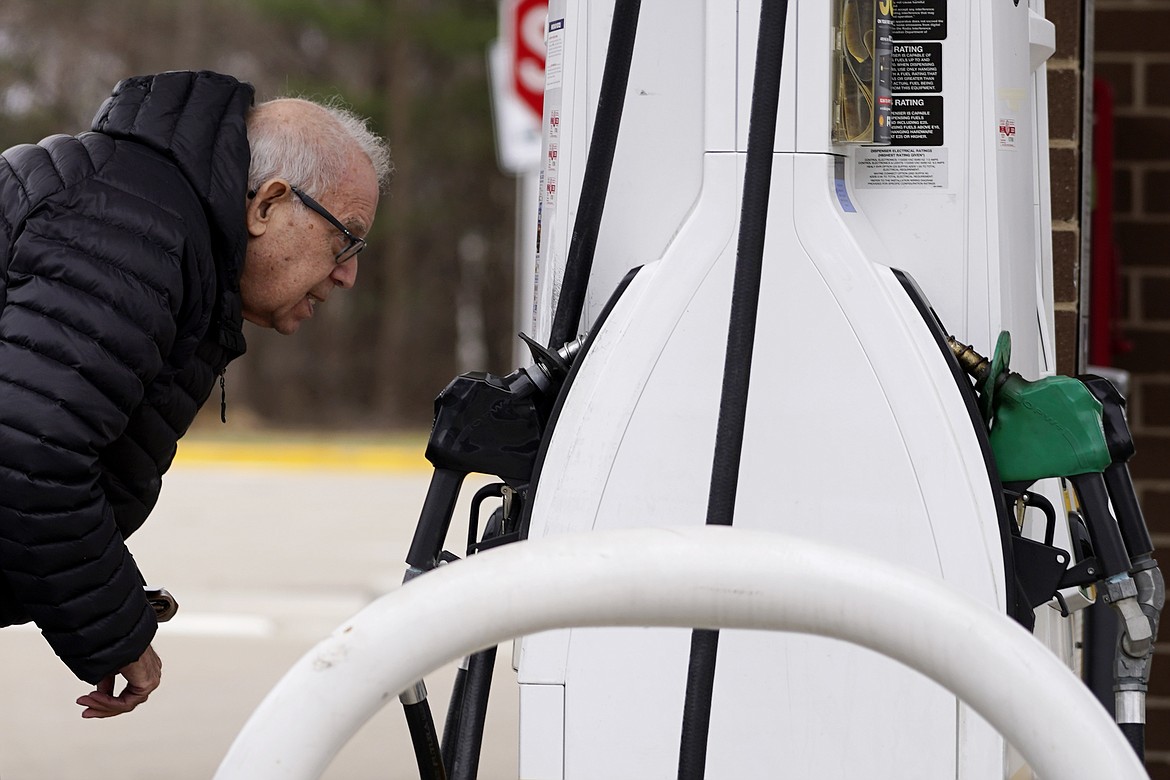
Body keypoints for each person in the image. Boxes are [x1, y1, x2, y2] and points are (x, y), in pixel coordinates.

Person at [0, 71, 392, 718]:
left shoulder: (143, 212)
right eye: (344, 238)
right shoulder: (130, 229)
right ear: (266, 204)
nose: (348, 273)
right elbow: (30, 456)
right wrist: (115, 624)